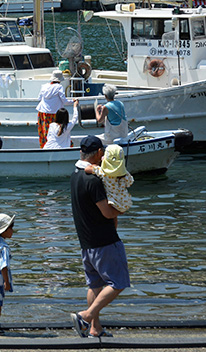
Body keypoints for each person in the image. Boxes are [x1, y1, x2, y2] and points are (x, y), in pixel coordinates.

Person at [69, 136, 129, 338]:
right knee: (118, 283)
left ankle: (95, 328)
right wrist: (121, 208)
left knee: (94, 285)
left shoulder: (76, 175)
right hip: (104, 240)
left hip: (86, 242)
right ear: (98, 154)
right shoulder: (93, 180)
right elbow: (108, 213)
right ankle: (86, 316)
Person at [84, 144, 134, 213]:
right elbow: (129, 182)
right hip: (125, 202)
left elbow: (87, 169)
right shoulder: (125, 174)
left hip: (113, 202)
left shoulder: (103, 172)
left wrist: (95, 166)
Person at [36, 70, 73, 147]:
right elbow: (64, 101)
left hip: (42, 112)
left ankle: (44, 147)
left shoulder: (44, 86)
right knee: (59, 131)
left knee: (44, 132)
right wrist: (73, 101)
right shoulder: (59, 87)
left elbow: (39, 98)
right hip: (55, 113)